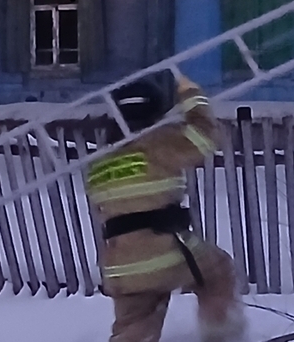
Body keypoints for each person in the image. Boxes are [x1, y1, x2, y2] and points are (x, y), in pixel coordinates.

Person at [86, 71, 245, 342]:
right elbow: (204, 136)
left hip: (120, 265)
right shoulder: (157, 143)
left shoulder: (100, 163)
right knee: (217, 270)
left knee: (136, 324)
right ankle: (222, 334)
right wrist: (191, 95)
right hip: (164, 250)